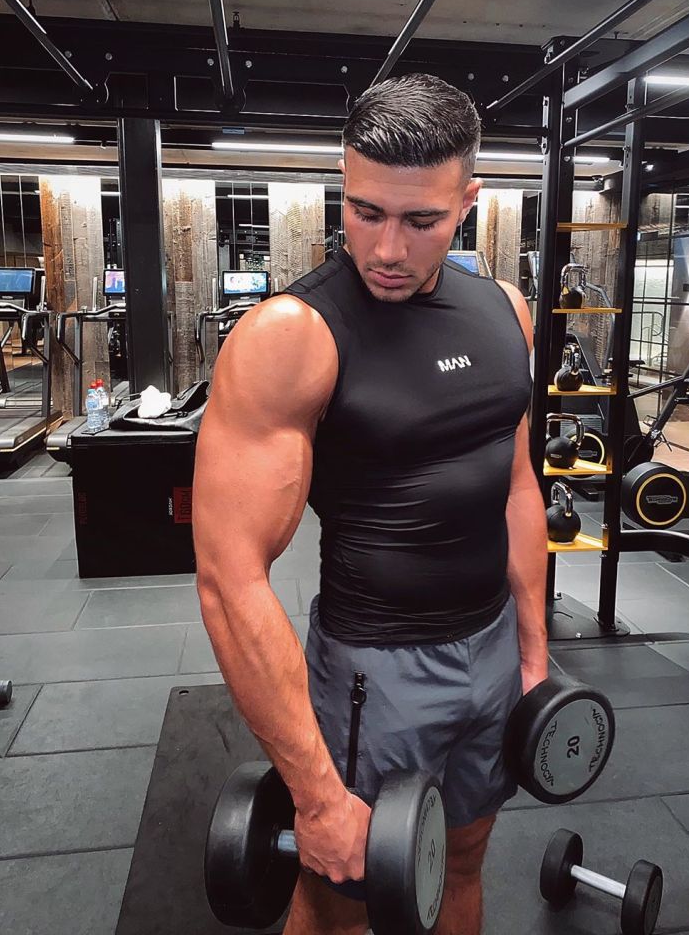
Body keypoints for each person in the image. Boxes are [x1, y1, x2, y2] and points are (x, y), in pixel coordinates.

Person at [193, 72, 548, 935]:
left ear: (468, 201)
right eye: (362, 211)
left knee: (456, 862)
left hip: (492, 647)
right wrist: (314, 792)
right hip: (374, 674)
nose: (385, 248)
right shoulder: (290, 336)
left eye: (419, 220)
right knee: (342, 898)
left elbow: (515, 484)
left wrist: (534, 655)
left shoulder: (504, 310)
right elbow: (228, 578)